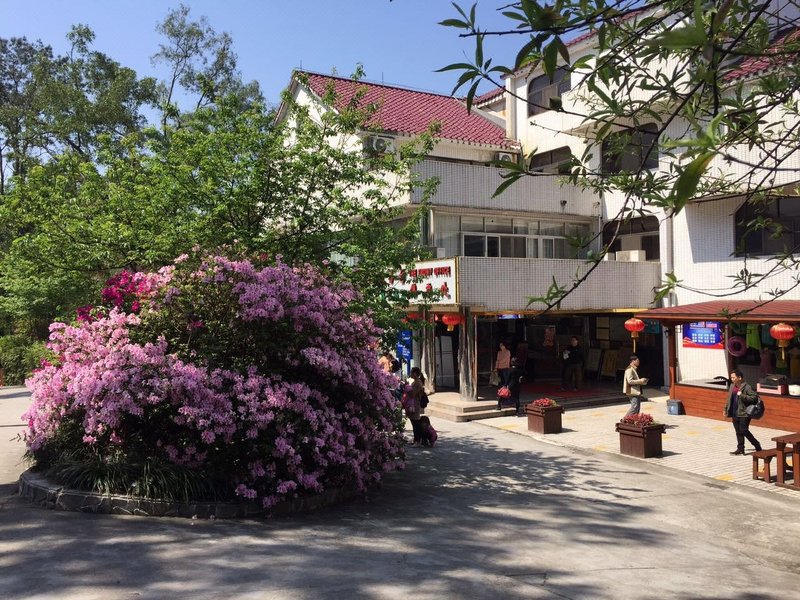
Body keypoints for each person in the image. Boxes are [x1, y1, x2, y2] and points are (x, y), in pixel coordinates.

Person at [724, 369, 763, 455]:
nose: (732, 379)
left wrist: (742, 395)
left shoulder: (746, 387)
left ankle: (756, 444)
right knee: (738, 431)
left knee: (744, 430)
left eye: (733, 377)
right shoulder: (732, 386)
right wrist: (726, 409)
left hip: (744, 413)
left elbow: (754, 397)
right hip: (734, 412)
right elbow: (729, 399)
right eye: (731, 377)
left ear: (739, 378)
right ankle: (740, 448)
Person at [407, 367, 426, 446]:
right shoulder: (414, 382)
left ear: (415, 373)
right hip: (412, 404)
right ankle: (416, 439)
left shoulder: (418, 383)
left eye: (411, 372)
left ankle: (417, 441)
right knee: (413, 422)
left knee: (416, 423)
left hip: (415, 404)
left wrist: (407, 388)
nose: (410, 373)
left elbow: (413, 393)